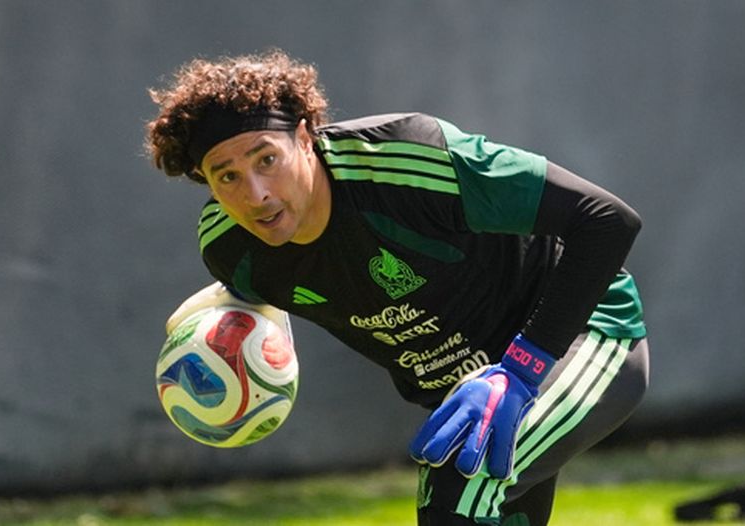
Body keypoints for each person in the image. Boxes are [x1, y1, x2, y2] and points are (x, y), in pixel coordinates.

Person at [145, 49, 649, 526]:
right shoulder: (231, 247)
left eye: (266, 160)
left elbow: (606, 221)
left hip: (579, 338)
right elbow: (245, 295)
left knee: (456, 491)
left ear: (303, 138)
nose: (255, 193)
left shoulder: (408, 158)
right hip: (463, 395)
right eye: (226, 176)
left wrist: (521, 370)